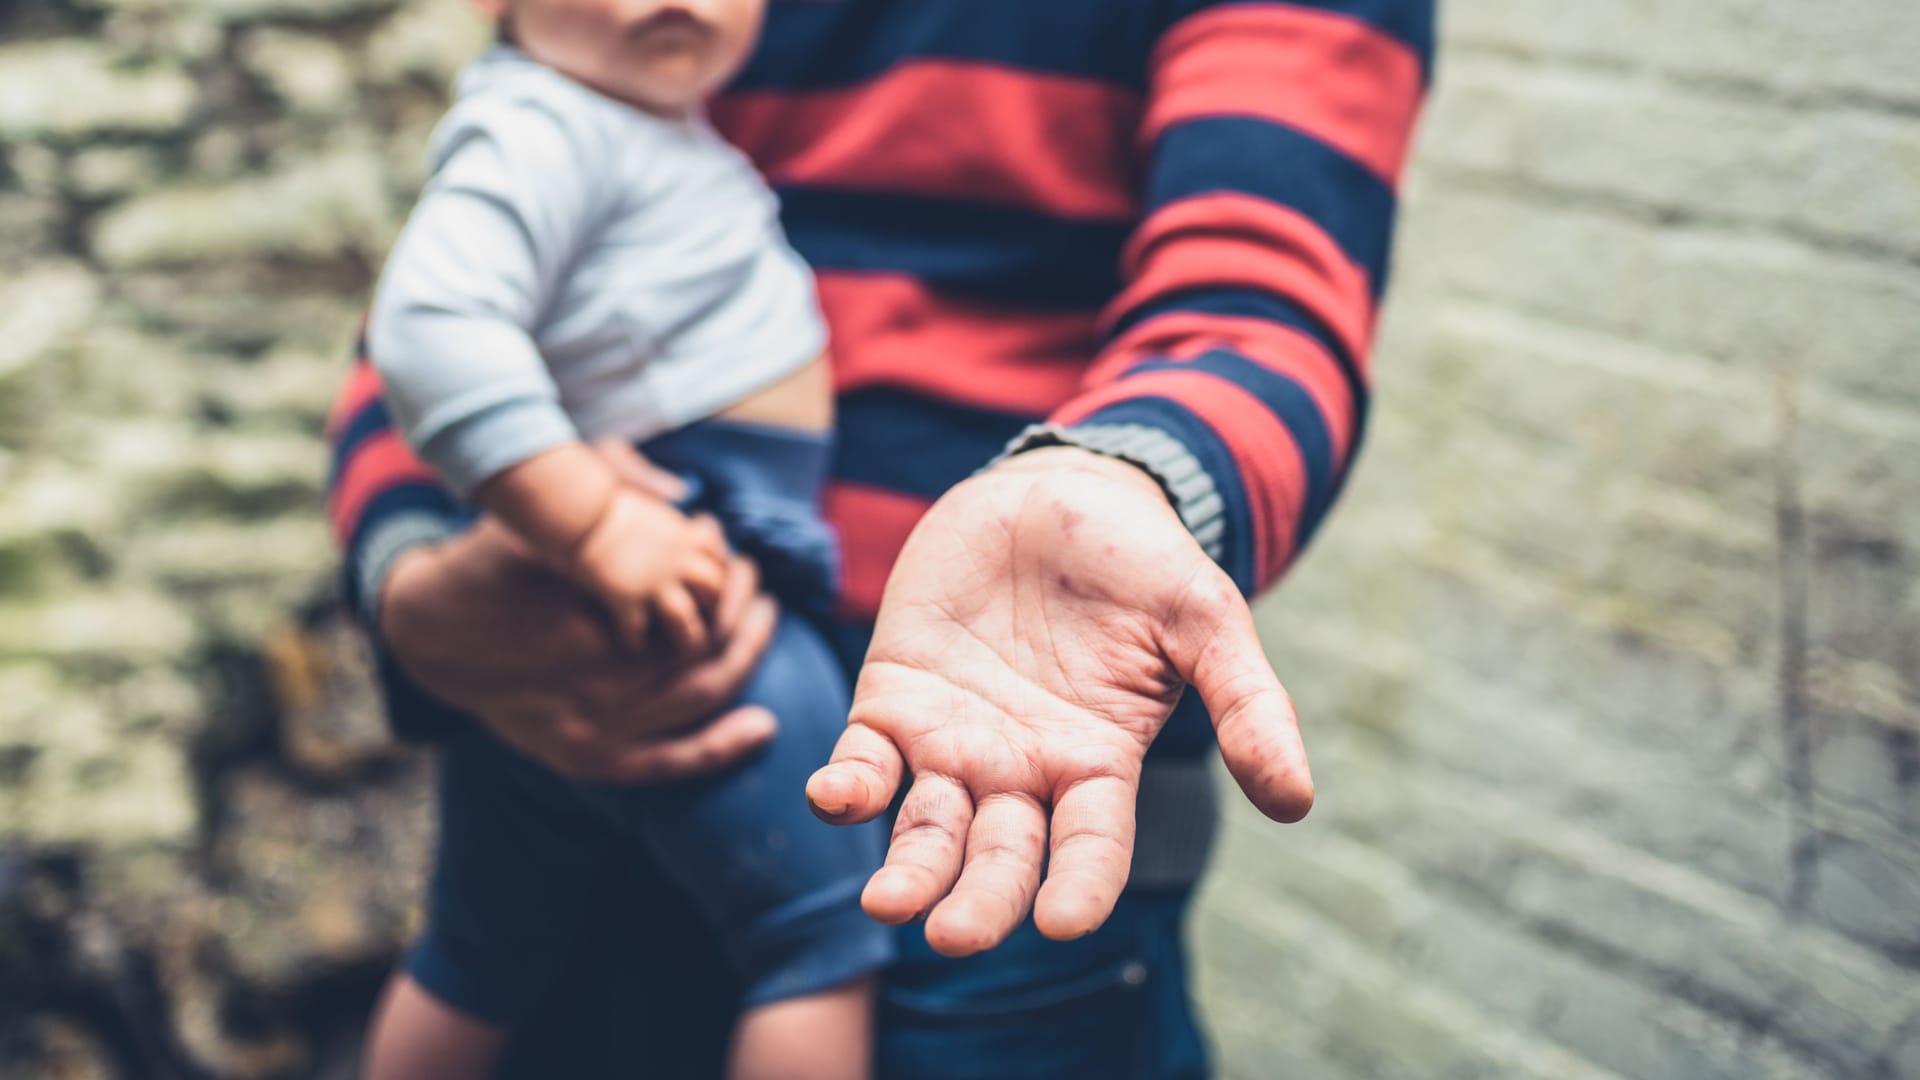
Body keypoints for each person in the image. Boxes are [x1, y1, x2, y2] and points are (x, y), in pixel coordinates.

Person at [325, 0, 1435, 1074]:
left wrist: (1123, 473)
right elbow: (430, 319)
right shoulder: (587, 98)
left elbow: (1262, 291)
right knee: (586, 968)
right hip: (652, 634)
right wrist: (412, 567)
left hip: (992, 758)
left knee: (486, 962)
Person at [354, 0, 893, 1077]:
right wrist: (594, 523)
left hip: (628, 587)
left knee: (477, 953)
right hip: (685, 596)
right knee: (821, 945)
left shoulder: (626, 123)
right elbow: (427, 329)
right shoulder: (545, 130)